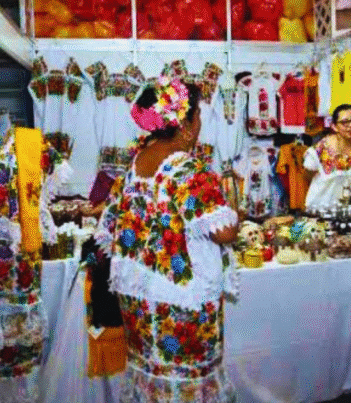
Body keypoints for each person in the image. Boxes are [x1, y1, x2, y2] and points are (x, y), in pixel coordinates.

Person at [95, 75, 240, 402]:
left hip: (140, 298)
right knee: (186, 380)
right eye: (198, 114)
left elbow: (110, 224)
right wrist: (236, 212)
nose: (200, 122)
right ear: (185, 123)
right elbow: (223, 231)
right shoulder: (186, 169)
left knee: (154, 378)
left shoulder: (136, 163)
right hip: (180, 300)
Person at [303, 104, 351, 212]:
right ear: (334, 126)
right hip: (321, 210)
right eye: (344, 122)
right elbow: (307, 175)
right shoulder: (320, 150)